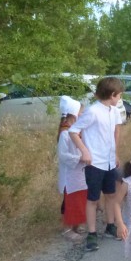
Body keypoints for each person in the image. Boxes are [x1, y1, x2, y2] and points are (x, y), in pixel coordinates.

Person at [69, 76, 124, 252]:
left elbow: (115, 132)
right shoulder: (93, 111)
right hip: (95, 162)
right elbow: (73, 131)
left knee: (110, 195)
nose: (120, 99)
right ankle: (92, 233)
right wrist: (84, 151)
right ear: (112, 94)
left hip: (109, 161)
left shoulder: (114, 111)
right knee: (93, 199)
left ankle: (110, 225)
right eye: (119, 95)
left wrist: (115, 153)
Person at [57, 96, 86, 243]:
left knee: (79, 200)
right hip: (70, 174)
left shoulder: (76, 131)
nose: (82, 114)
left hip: (79, 173)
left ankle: (76, 225)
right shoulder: (65, 134)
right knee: (70, 201)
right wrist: (79, 159)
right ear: (73, 114)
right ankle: (67, 228)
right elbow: (62, 155)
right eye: (80, 112)